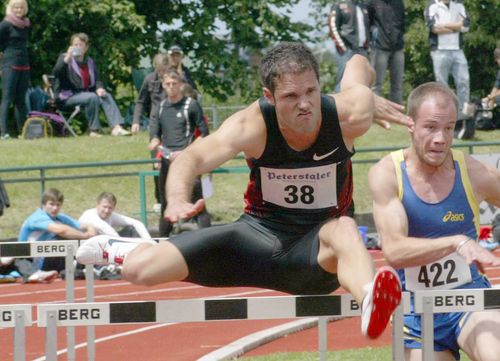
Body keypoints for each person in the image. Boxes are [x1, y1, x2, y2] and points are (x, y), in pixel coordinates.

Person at [77, 42, 412, 339]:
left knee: (345, 228)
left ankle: (371, 298)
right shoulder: (252, 124)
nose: (305, 104)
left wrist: (366, 88)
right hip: (256, 240)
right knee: (140, 272)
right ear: (269, 97)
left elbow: (357, 65)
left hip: (316, 255)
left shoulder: (349, 114)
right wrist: (177, 198)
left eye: (311, 91)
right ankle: (121, 250)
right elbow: (191, 157)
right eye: (291, 97)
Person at [368, 82, 500, 360]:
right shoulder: (387, 174)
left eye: (449, 128)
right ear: (411, 125)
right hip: (415, 310)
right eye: (430, 127)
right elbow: (393, 251)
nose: (441, 138)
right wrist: (456, 242)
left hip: (469, 300)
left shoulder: (475, 173)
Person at [148, 70, 210, 237]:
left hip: (187, 161)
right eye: (167, 84)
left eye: (174, 84)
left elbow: (205, 135)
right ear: (163, 85)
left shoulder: (191, 105)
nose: (171, 87)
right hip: (167, 160)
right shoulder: (160, 106)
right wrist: (154, 143)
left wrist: (185, 153)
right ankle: (162, 242)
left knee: (198, 203)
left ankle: (207, 241)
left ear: (181, 85)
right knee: (165, 204)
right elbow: (155, 132)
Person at [52, 32, 131, 137]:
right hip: (67, 96)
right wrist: (67, 58)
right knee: (92, 97)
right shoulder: (64, 59)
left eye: (81, 45)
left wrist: (99, 88)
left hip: (85, 94)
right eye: (75, 45)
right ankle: (93, 130)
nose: (78, 47)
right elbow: (56, 73)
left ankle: (117, 128)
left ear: (86, 47)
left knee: (105, 95)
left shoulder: (89, 62)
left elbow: (98, 80)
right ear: (71, 46)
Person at [19, 188, 97, 282]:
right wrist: (85, 236)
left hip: (50, 255)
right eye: (51, 204)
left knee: (73, 237)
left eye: (58, 205)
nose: (55, 208)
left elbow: (83, 225)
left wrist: (90, 229)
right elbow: (62, 231)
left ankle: (85, 265)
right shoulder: (37, 217)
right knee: (62, 237)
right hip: (30, 257)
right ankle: (38, 272)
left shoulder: (60, 217)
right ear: (44, 204)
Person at [131, 53, 170, 211]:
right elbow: (141, 101)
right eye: (159, 71)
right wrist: (135, 121)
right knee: (157, 163)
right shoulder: (149, 79)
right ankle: (159, 199)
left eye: (164, 70)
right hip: (155, 123)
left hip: (172, 122)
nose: (161, 74)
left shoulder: (174, 79)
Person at [424, 0, 470, 120]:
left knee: (464, 81)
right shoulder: (432, 5)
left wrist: (444, 25)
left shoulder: (459, 5)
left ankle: (462, 115)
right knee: (442, 85)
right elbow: (433, 28)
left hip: (457, 49)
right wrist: (456, 26)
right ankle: (444, 115)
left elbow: (466, 26)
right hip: (439, 50)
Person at [0, 0, 30, 140]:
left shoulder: (26, 24)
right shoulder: (5, 24)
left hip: (24, 65)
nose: (19, 10)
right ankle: (4, 132)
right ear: (11, 8)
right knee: (7, 99)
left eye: (21, 7)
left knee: (21, 100)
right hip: (9, 65)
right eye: (16, 7)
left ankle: (22, 132)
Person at [366, 0, 405, 105]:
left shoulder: (399, 2)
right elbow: (368, 23)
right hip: (379, 47)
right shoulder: (372, 3)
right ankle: (375, 111)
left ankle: (397, 112)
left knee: (397, 84)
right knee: (376, 84)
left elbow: (402, 23)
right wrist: (373, 40)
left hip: (398, 47)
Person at [328, 0, 370, 92]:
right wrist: (342, 46)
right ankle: (338, 105)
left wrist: (367, 45)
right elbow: (332, 26)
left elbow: (368, 27)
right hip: (347, 49)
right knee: (342, 79)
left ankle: (360, 105)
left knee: (362, 81)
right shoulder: (339, 5)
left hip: (362, 49)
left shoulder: (363, 6)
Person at [79, 192, 151, 238]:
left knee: (131, 228)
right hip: (84, 250)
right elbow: (106, 230)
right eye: (104, 207)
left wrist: (149, 241)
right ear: (97, 205)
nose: (107, 211)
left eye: (110, 208)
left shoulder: (111, 215)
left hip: (102, 248)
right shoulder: (90, 215)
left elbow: (136, 223)